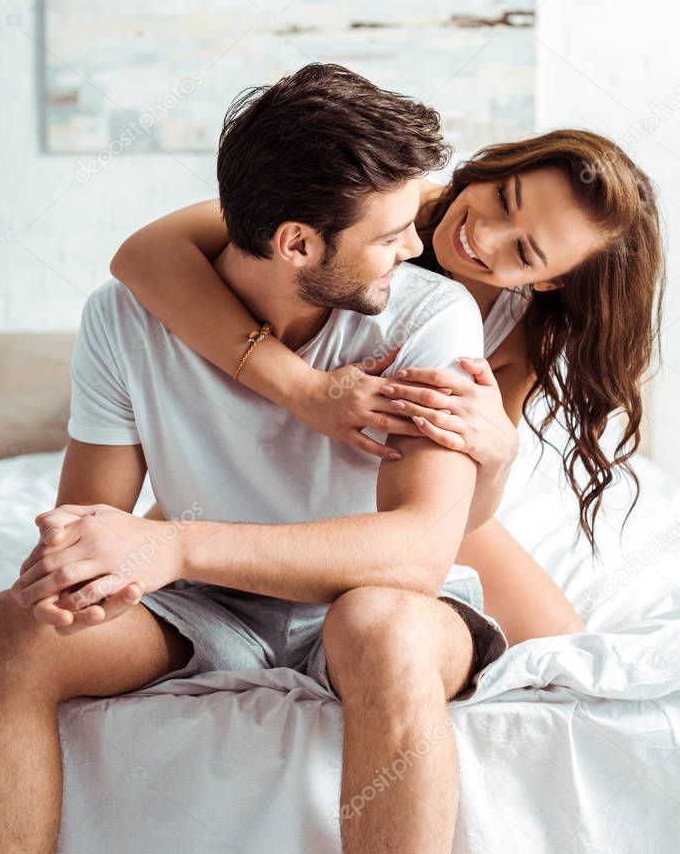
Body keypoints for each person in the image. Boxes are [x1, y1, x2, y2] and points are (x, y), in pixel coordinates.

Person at [3, 64, 511, 854]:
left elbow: (419, 553)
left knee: (377, 622)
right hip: (205, 607)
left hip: (370, 601)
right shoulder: (122, 318)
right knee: (20, 625)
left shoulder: (428, 317)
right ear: (297, 242)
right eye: (388, 235)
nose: (415, 249)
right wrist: (81, 565)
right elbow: (93, 523)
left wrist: (175, 541)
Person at [109, 125, 665, 646]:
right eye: (502, 199)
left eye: (523, 252)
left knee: (562, 647)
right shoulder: (380, 199)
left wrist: (496, 459)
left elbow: (458, 516)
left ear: (549, 281)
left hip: (392, 496)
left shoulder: (520, 329)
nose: (484, 236)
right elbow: (142, 254)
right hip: (261, 460)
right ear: (496, 167)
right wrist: (303, 390)